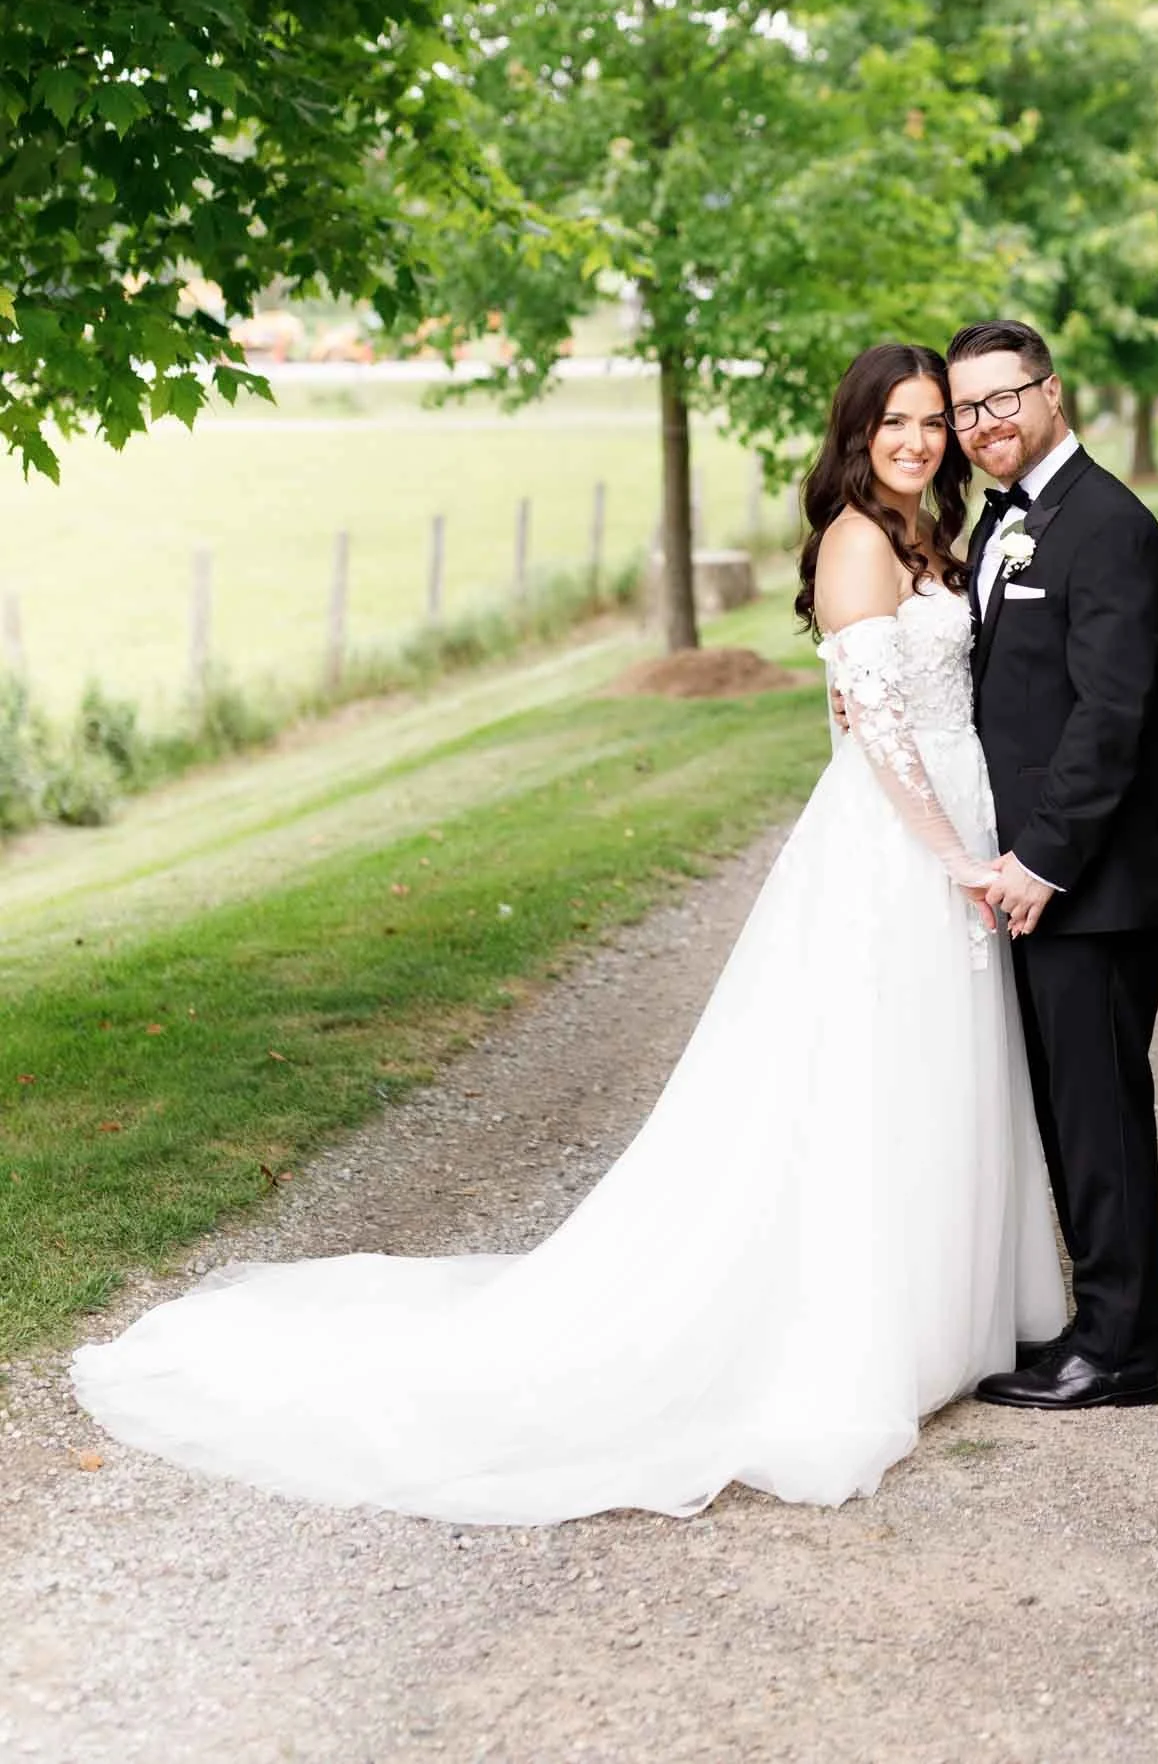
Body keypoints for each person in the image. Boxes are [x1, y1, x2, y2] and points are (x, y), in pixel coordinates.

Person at [71, 343, 1064, 1525]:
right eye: (893, 423)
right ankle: (860, 1334)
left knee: (924, 1071)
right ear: (856, 434)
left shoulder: (921, 536)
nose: (916, 440)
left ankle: (941, 1312)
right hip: (906, 842)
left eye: (929, 423)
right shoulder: (859, 538)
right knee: (865, 1077)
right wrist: (945, 850)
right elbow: (879, 731)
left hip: (946, 820)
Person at [947, 320, 1158, 1412]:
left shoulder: (1106, 524)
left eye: (1000, 401)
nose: (980, 425)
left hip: (1091, 885)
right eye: (964, 411)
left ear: (1049, 393)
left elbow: (1110, 716)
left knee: (1096, 1115)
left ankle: (1121, 1351)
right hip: (1039, 880)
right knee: (1066, 1108)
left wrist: (1041, 860)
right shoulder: (1004, 522)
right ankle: (1102, 1325)